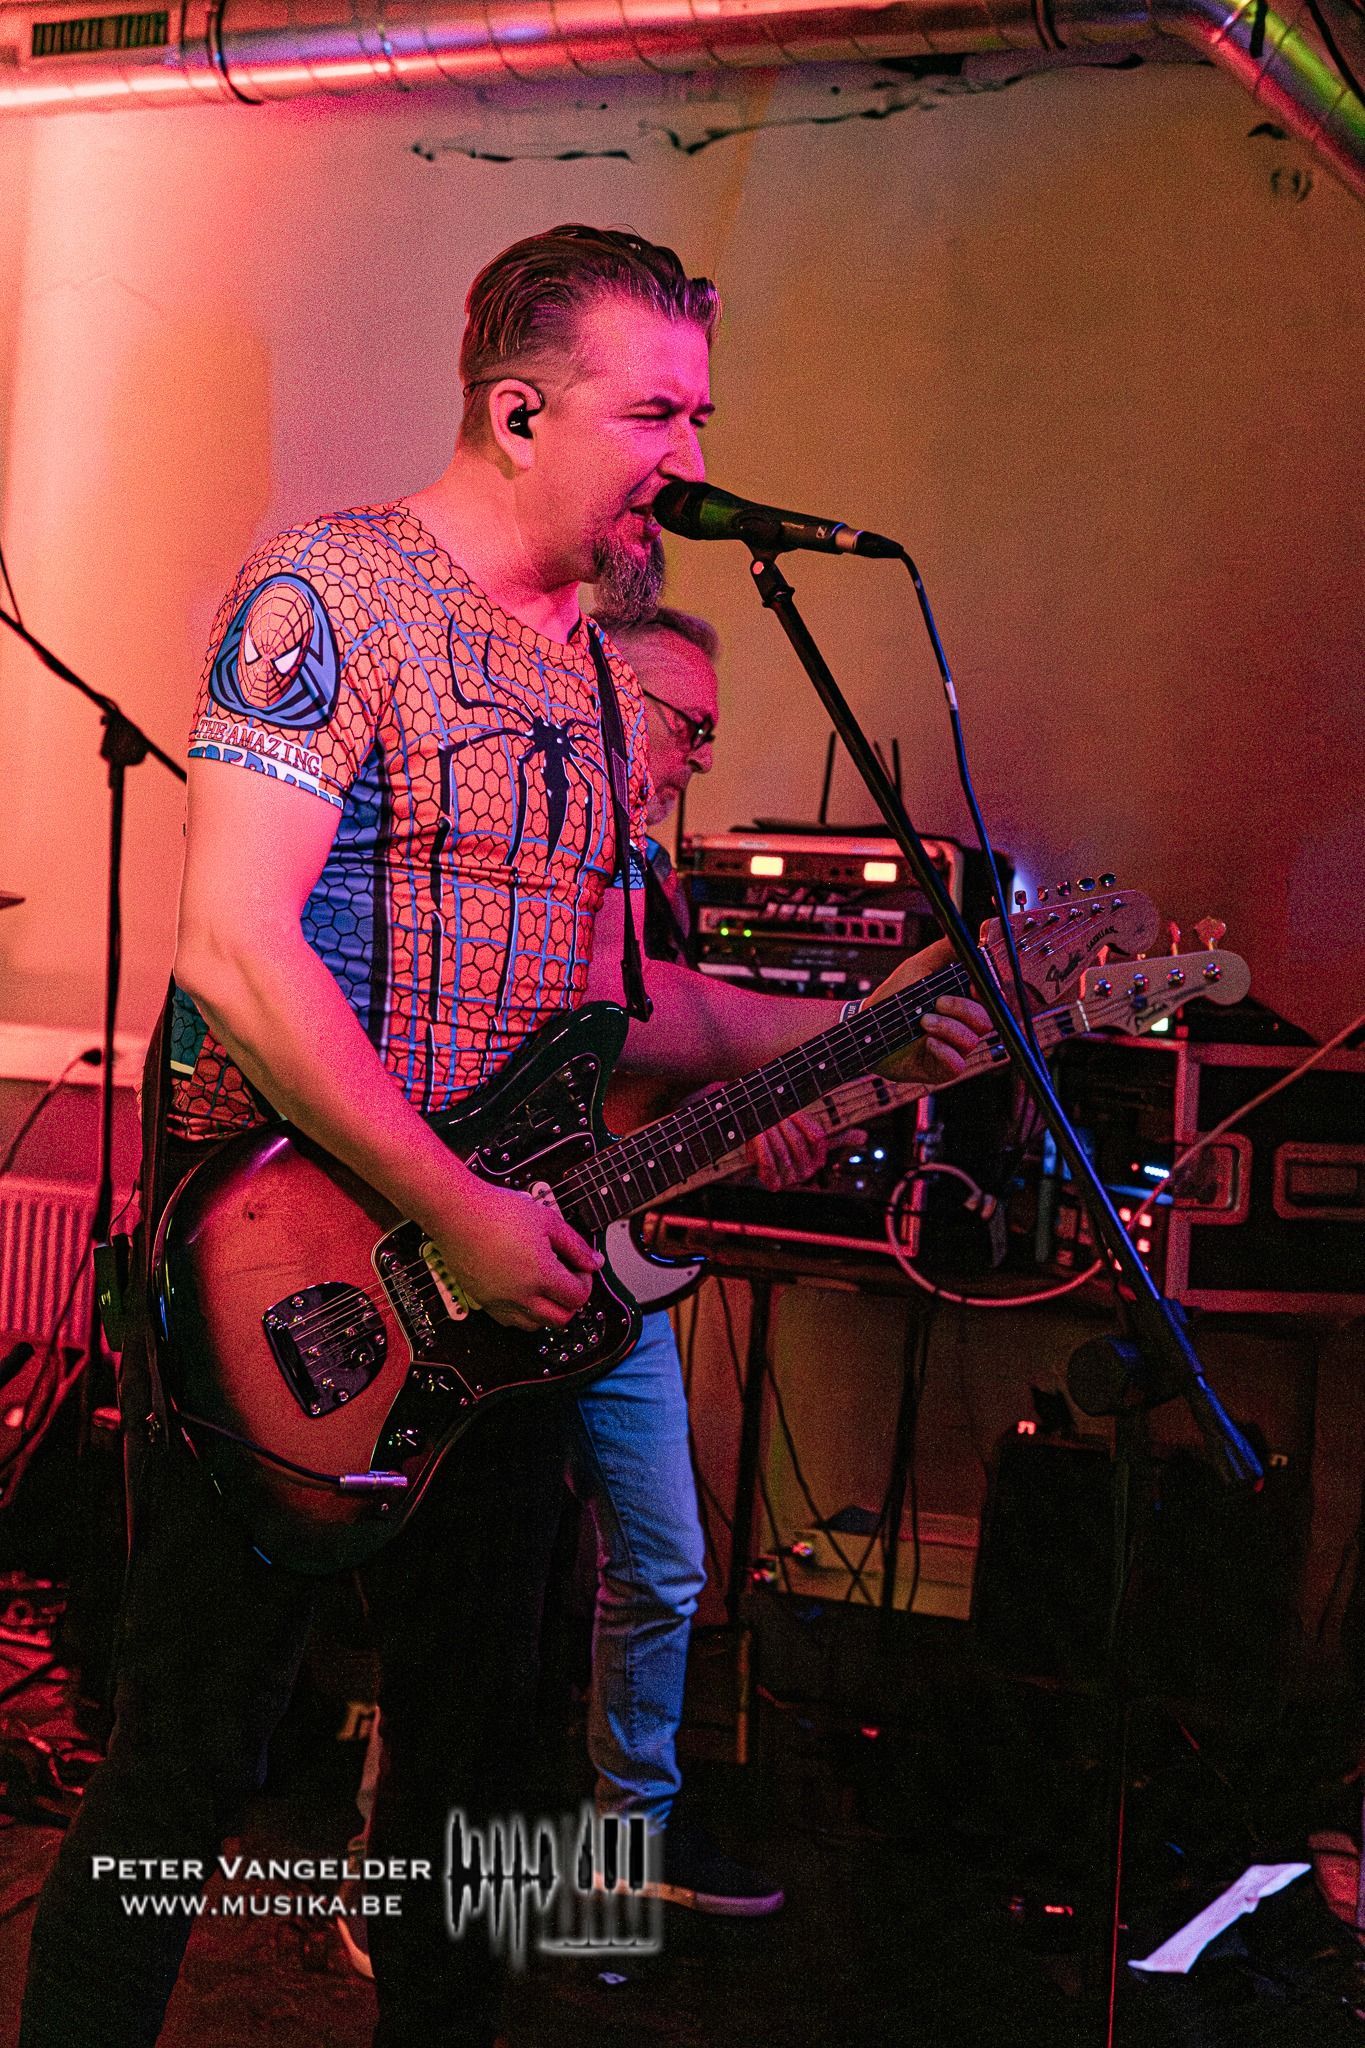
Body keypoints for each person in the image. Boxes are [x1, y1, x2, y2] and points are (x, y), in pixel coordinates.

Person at [19, 223, 988, 2048]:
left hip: (496, 1307)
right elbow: (234, 948)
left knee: (477, 1785)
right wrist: (453, 1201)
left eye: (700, 416)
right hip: (287, 1277)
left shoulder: (598, 674)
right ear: (519, 412)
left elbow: (618, 1004)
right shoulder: (328, 593)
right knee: (183, 1770)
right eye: (655, 414)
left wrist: (862, 1029)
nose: (688, 458)